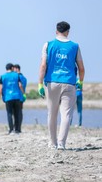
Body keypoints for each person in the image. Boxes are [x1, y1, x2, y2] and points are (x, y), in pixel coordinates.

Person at [38, 21, 85, 150]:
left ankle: (52, 143)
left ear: (56, 31)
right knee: (66, 115)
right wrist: (80, 82)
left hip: (52, 82)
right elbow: (81, 68)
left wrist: (39, 84)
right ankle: (61, 143)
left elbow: (43, 65)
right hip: (69, 83)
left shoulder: (48, 45)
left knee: (52, 114)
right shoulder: (75, 46)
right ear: (68, 31)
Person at [0, 63, 26, 134]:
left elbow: (1, 88)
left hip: (8, 97)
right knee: (17, 113)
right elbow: (20, 85)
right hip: (17, 97)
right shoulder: (16, 75)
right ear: (12, 68)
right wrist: (23, 94)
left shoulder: (3, 76)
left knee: (9, 114)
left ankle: (11, 130)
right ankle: (17, 130)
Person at [13, 64, 27, 129]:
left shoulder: (16, 77)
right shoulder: (24, 78)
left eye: (13, 69)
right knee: (20, 112)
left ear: (17, 69)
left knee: (15, 112)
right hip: (22, 97)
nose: (13, 70)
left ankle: (16, 127)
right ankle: (19, 127)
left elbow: (19, 86)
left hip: (16, 96)